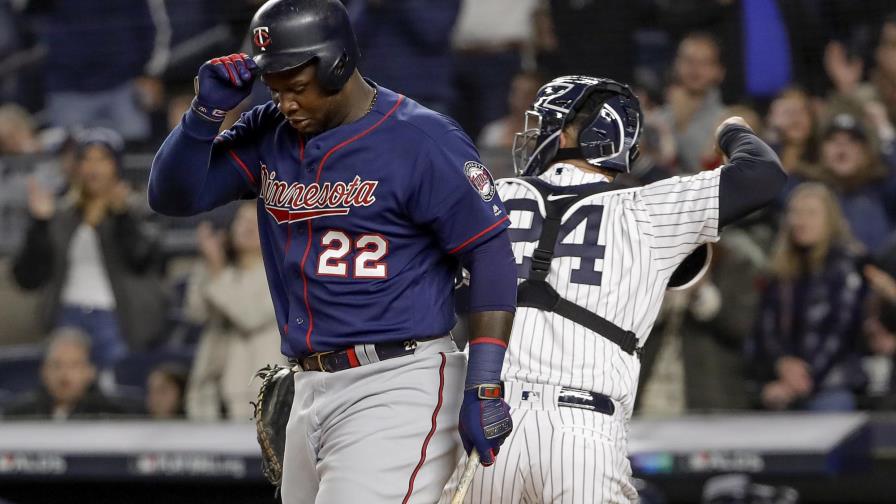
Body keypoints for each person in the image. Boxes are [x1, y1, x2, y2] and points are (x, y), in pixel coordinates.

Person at [147, 1, 516, 502]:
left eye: (297, 88)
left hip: (397, 382)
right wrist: (203, 115)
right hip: (307, 386)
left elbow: (490, 251)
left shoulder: (422, 139)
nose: (287, 104)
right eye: (275, 90)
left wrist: (485, 382)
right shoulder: (269, 131)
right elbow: (172, 196)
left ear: (337, 64)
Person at [442, 75, 786, 503]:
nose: (537, 132)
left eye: (551, 122)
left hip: (485, 418)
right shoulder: (645, 207)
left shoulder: (494, 195)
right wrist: (730, 127)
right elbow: (763, 173)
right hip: (584, 433)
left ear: (585, 133)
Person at [11, 128, 166, 374]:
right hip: (67, 317)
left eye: (102, 159)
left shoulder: (138, 209)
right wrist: (40, 224)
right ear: (77, 166)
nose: (93, 167)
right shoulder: (60, 214)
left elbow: (144, 261)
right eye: (86, 159)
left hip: (117, 319)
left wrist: (122, 215)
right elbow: (27, 277)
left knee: (115, 392)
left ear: (116, 165)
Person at [749, 183, 867, 412]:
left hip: (831, 385)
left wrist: (802, 378)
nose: (800, 221)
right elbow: (766, 327)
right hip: (782, 383)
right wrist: (781, 364)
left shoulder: (846, 265)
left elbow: (841, 331)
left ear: (830, 220)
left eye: (811, 213)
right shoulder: (780, 270)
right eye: (795, 213)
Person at [184, 202, 284, 421]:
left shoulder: (280, 275)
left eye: (254, 221)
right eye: (241, 221)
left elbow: (249, 316)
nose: (246, 227)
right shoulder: (218, 268)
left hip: (256, 394)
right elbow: (195, 312)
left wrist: (218, 271)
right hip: (210, 390)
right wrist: (208, 264)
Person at [2, 327, 128, 420]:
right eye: (57, 365)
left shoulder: (112, 415)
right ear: (44, 371)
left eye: (74, 365)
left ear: (90, 372)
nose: (64, 374)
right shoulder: (18, 414)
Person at [661, 32, 728, 174]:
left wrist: (681, 123)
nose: (694, 68)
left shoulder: (727, 119)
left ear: (719, 71)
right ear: (675, 64)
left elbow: (699, 171)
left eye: (704, 63)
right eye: (688, 60)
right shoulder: (658, 115)